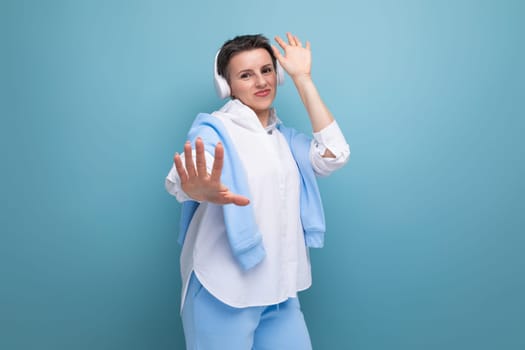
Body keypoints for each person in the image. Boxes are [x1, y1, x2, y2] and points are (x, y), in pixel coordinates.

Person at [165, 32, 350, 350]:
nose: (261, 82)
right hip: (221, 291)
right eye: (245, 75)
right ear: (227, 86)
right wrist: (197, 188)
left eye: (266, 70)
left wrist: (303, 78)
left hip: (278, 293)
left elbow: (335, 153)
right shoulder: (214, 130)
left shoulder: (284, 139)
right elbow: (188, 176)